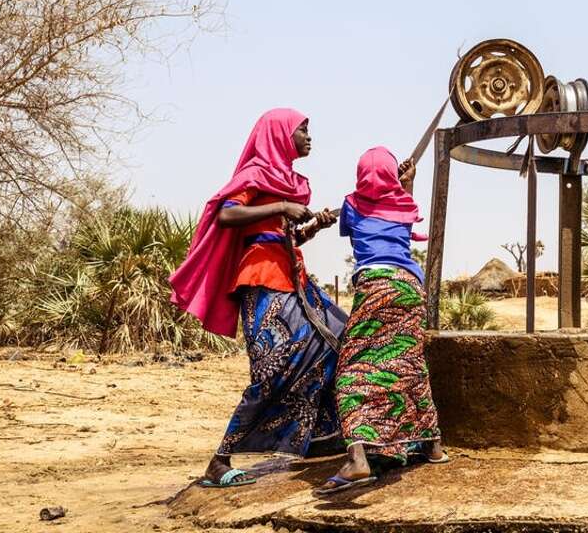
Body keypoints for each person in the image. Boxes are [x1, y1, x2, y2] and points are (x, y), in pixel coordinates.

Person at [169, 108, 346, 488]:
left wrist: (313, 226)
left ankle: (322, 436)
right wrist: (283, 206)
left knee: (336, 339)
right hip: (263, 279)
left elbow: (284, 239)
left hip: (291, 278)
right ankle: (219, 461)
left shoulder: (287, 179)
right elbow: (227, 216)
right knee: (271, 370)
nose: (309, 137)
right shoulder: (255, 175)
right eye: (303, 130)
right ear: (281, 134)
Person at [316, 146, 446, 495]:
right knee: (408, 362)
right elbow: (401, 210)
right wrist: (407, 184)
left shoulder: (352, 205)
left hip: (375, 286)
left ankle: (358, 459)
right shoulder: (403, 203)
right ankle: (433, 446)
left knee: (352, 371)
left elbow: (355, 222)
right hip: (409, 287)